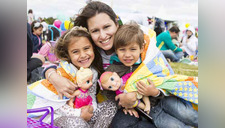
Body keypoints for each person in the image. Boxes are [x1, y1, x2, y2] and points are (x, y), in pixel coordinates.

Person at [109, 24, 198, 128]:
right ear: (116, 50)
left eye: (132, 49)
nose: (127, 54)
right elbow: (108, 90)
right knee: (175, 126)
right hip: (151, 112)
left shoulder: (149, 63)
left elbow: (163, 79)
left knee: (189, 115)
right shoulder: (114, 71)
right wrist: (123, 103)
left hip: (164, 100)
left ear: (141, 48)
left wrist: (155, 92)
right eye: (122, 50)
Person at [27, 26, 117, 128]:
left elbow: (91, 95)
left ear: (93, 48)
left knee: (111, 105)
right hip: (57, 115)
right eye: (75, 52)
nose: (83, 55)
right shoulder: (64, 73)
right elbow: (58, 106)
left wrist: (90, 110)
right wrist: (78, 114)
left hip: (84, 113)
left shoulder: (93, 72)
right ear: (68, 54)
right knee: (78, 124)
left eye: (86, 48)